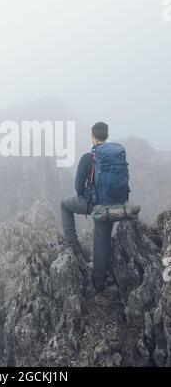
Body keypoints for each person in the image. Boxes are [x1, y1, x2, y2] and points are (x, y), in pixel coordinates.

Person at [61, 122, 120, 293]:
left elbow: (78, 188)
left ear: (92, 137)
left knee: (64, 205)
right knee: (102, 241)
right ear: (106, 136)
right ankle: (99, 284)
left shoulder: (88, 158)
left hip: (94, 204)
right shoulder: (116, 157)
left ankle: (74, 247)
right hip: (113, 205)